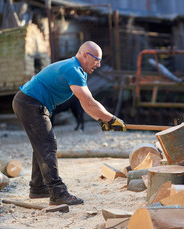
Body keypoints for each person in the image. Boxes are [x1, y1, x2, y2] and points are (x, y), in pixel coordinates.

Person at [12, 41, 126, 205]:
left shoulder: (77, 69)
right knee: (47, 144)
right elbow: (90, 102)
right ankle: (58, 193)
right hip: (30, 103)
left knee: (42, 144)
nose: (99, 65)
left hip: (30, 102)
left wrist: (102, 120)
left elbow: (85, 103)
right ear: (85, 55)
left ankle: (38, 188)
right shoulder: (73, 70)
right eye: (96, 60)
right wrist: (111, 119)